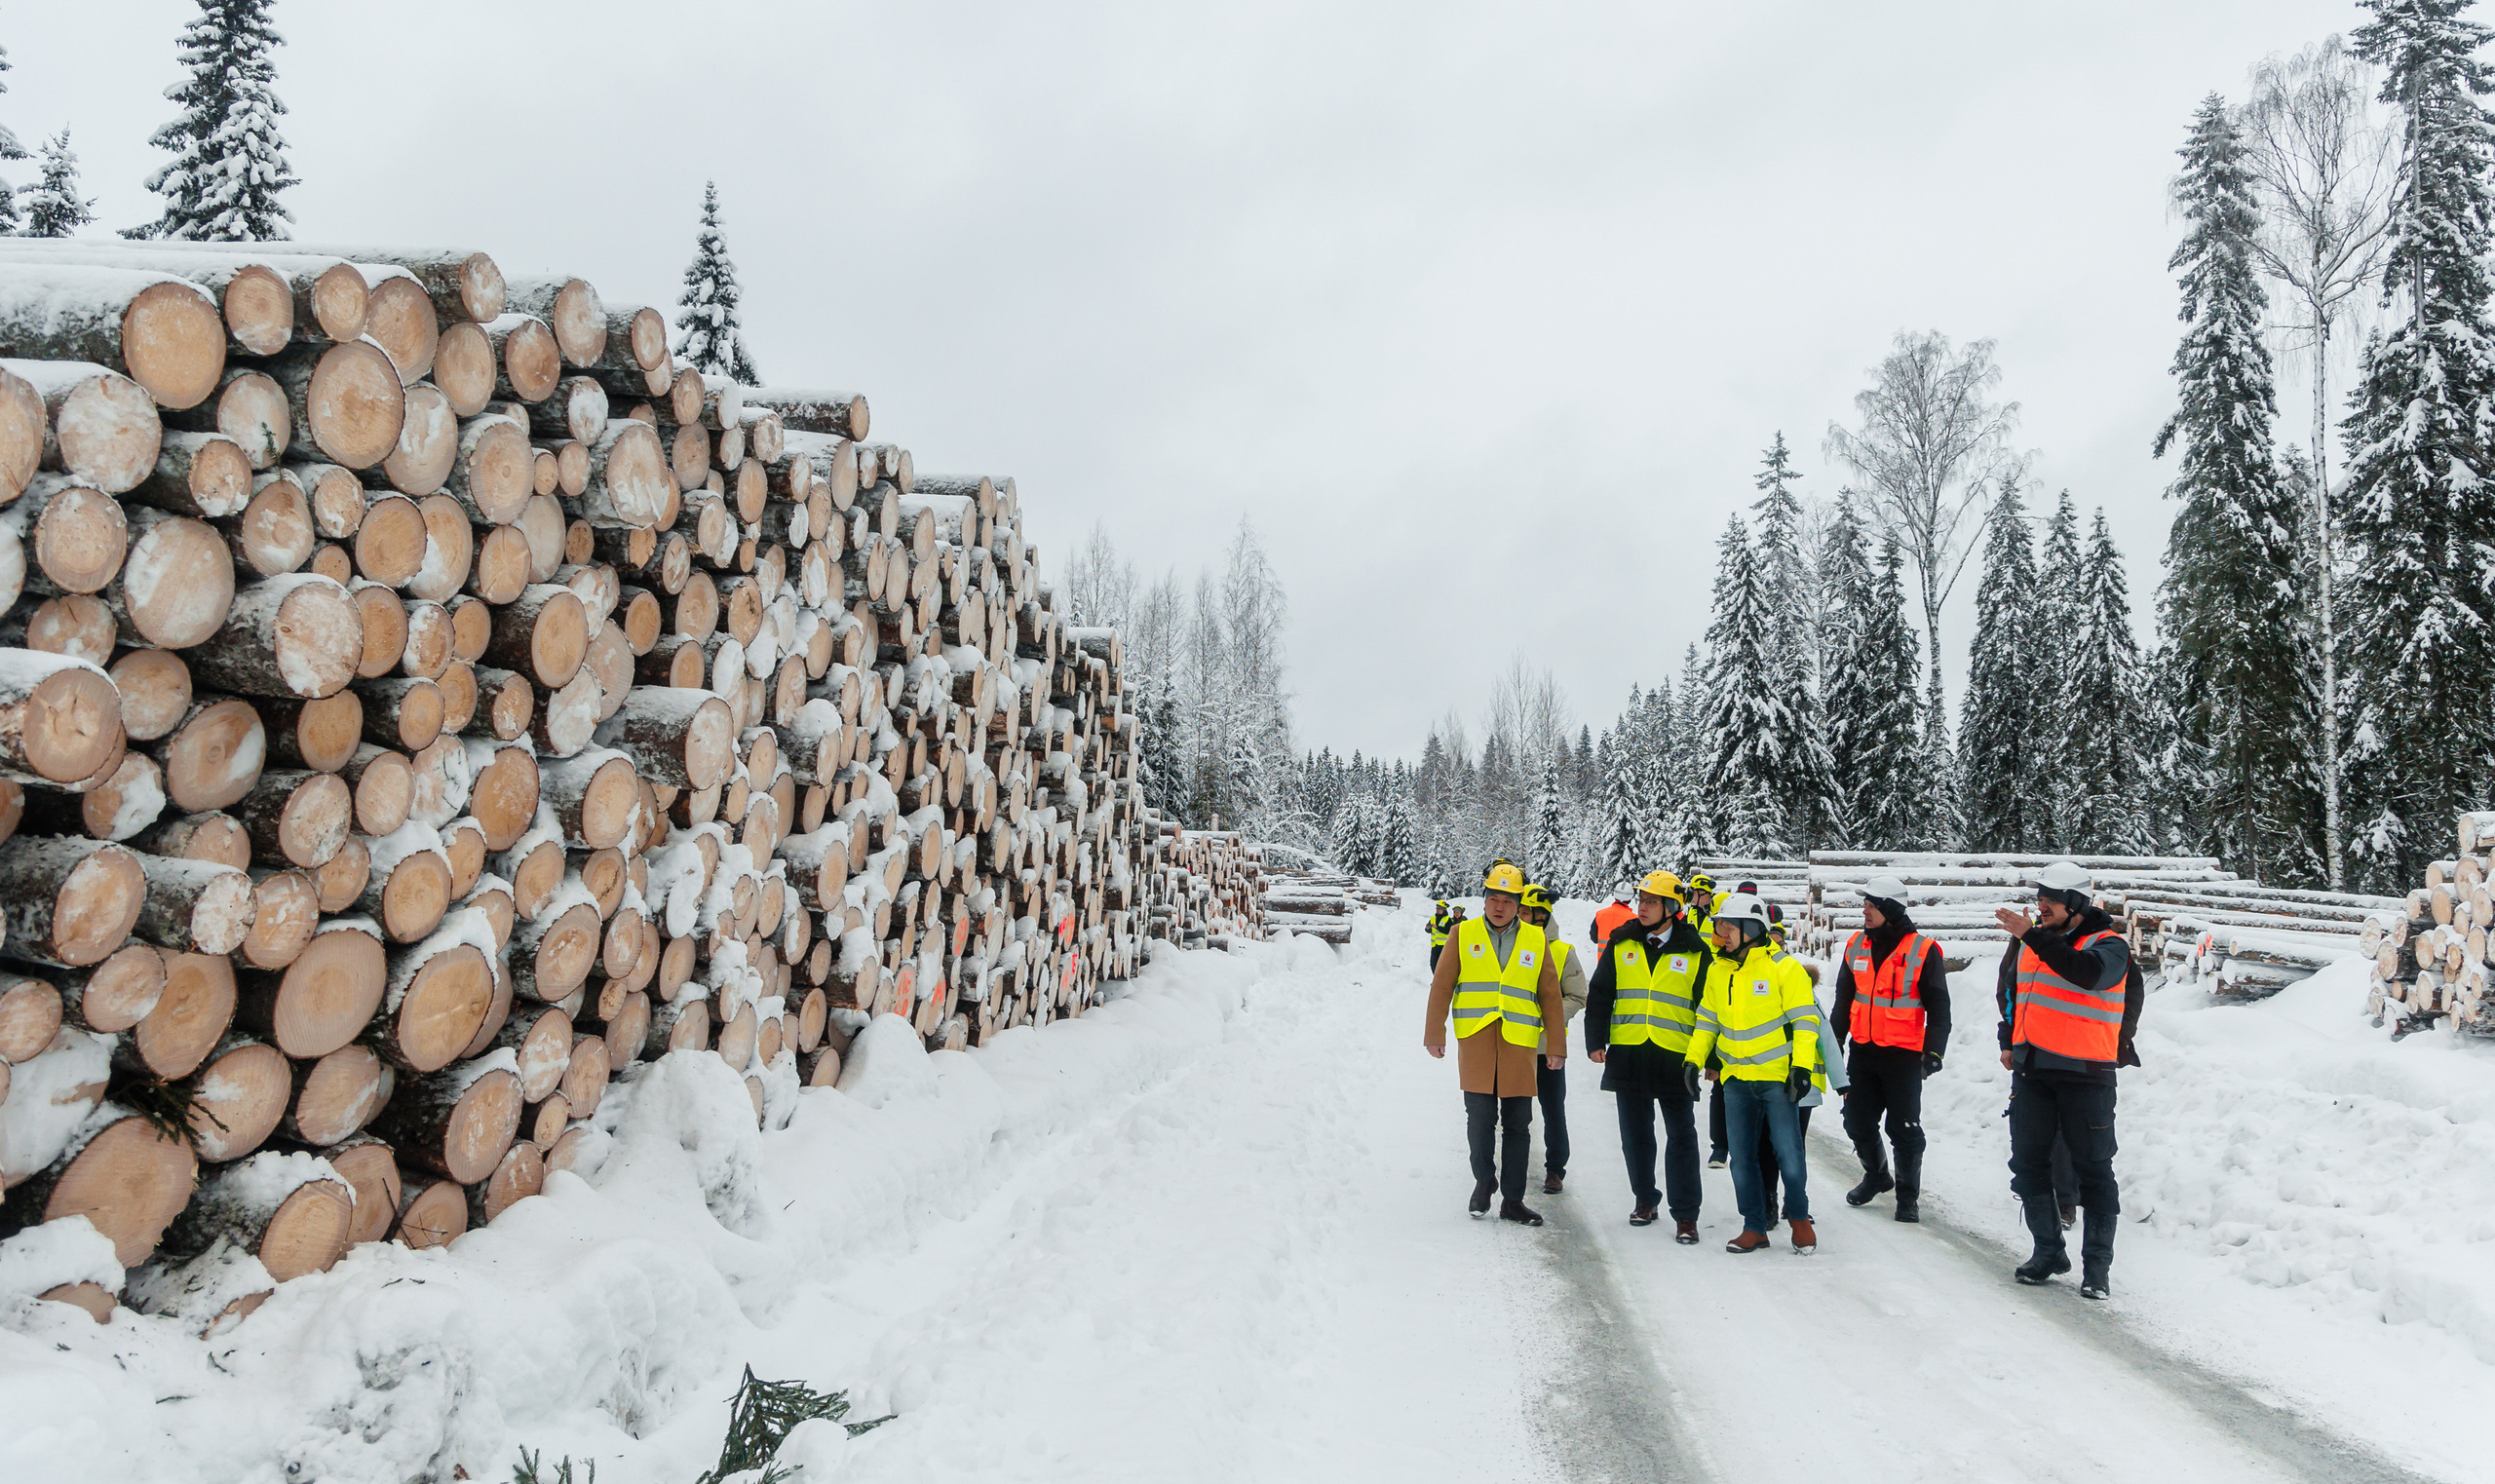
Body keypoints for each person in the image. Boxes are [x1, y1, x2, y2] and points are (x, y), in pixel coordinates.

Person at [1994, 860, 2142, 1300]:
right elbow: (2012, 992)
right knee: (2027, 1163)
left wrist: (2031, 936)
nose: (2042, 910)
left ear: (2077, 904)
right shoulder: (2031, 943)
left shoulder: (2109, 945)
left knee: (2094, 1170)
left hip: (2086, 1074)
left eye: (2051, 903)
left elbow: (2086, 973)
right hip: (2034, 1070)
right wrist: (2008, 1038)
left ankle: (2097, 1267)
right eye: (2040, 902)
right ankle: (2049, 1252)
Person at [1425, 862, 1566, 1226]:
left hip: (1519, 1043)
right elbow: (1442, 986)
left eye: (1507, 900)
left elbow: (1550, 996)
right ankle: (1484, 1180)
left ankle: (1513, 1200)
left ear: (1518, 904)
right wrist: (1434, 1033)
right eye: (1493, 898)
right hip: (1476, 1039)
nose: (1498, 907)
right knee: (1480, 1118)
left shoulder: (1535, 940)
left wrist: (1556, 1047)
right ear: (1484, 899)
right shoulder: (1462, 933)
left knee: (1519, 1123)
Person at [1685, 894, 1823, 1254]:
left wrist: (1802, 1068)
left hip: (1777, 1080)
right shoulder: (1719, 970)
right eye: (1719, 926)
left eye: (1728, 927)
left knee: (1788, 1153)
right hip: (1735, 1081)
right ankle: (1754, 1227)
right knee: (1742, 1158)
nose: (1721, 933)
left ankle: (1800, 1220)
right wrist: (1693, 1059)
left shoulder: (1784, 968)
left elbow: (1806, 1023)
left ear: (1751, 929)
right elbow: (1707, 1020)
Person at [1585, 869, 1711, 1240]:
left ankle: (1686, 1214)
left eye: (1651, 901)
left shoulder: (1694, 949)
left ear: (1672, 907)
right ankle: (1645, 1199)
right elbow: (1601, 993)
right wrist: (1596, 1040)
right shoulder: (1621, 942)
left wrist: (1712, 1060)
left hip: (1676, 1057)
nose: (1642, 907)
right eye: (1641, 900)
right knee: (1635, 1135)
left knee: (1682, 1137)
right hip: (1629, 1053)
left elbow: (1709, 1007)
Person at [1828, 874, 1951, 1223]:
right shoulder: (1856, 946)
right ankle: (1877, 1175)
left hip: (1904, 1056)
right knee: (1856, 1121)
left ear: (1891, 909)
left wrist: (1935, 1051)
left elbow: (1940, 1007)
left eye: (1872, 906)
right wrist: (1835, 1041)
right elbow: (1843, 1000)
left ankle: (1907, 1197)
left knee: (1904, 1128)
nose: (1865, 911)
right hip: (1863, 1052)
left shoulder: (1922, 950)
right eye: (1864, 905)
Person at [1519, 884, 1587, 1194]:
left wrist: (1551, 1016)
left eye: (1537, 915)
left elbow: (1578, 994)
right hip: (1514, 1043)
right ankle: (1513, 1166)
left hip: (1548, 1047)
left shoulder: (1562, 952)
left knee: (1552, 1110)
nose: (1531, 920)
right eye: (1526, 914)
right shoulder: (1511, 948)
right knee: (1513, 1110)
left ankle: (1555, 1169)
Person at [1427, 899, 1460, 970]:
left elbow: (1448, 931)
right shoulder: (1433, 918)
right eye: (1437, 908)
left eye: (1440, 909)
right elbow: (1429, 931)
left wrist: (1438, 927)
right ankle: (1436, 979)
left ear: (1444, 910)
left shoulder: (1448, 919)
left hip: (1444, 946)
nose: (1438, 910)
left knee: (1444, 964)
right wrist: (1428, 928)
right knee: (1433, 964)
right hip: (1435, 945)